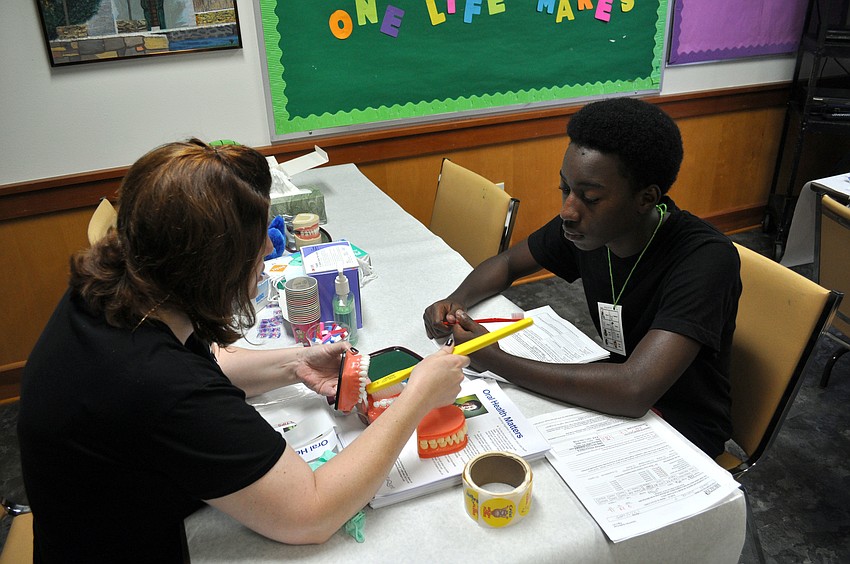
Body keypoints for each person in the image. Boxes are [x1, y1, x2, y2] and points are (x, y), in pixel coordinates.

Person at [18, 139, 468, 562]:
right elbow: (311, 513)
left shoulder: (119, 285)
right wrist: (417, 399)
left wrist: (294, 363)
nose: (272, 248)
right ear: (214, 269)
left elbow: (202, 363)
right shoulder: (159, 386)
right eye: (258, 245)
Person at [424, 97, 741, 458]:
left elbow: (635, 389)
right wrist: (456, 301)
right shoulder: (587, 229)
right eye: (565, 189)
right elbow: (509, 264)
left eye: (589, 197)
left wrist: (494, 359)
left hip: (679, 427)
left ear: (646, 198)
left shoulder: (704, 259)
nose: (568, 211)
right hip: (615, 393)